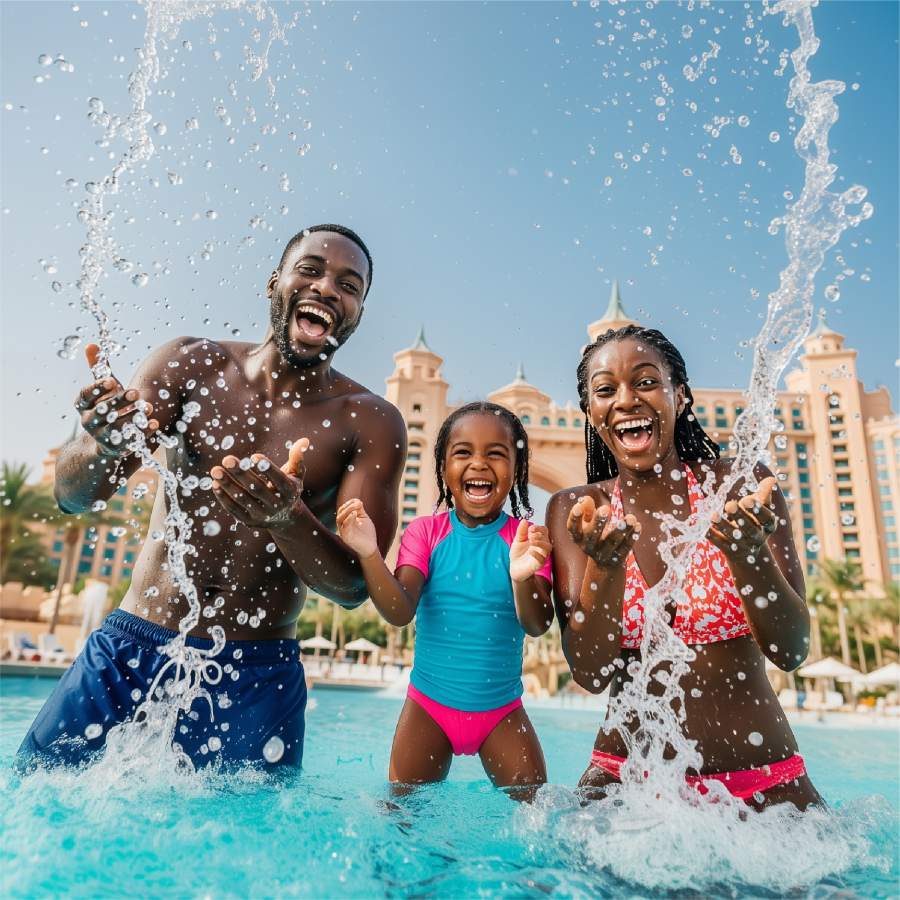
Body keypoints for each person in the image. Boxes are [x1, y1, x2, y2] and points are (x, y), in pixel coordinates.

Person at [18, 224, 406, 771]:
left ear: (358, 311)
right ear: (276, 283)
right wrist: (101, 445)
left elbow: (351, 587)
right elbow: (74, 497)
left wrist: (285, 518)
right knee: (35, 802)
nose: (326, 288)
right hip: (131, 648)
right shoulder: (190, 365)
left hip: (257, 673)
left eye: (348, 285)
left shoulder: (368, 421)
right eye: (311, 270)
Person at [547, 325, 822, 810]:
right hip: (623, 787)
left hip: (764, 786)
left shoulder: (742, 486)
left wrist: (748, 556)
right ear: (591, 412)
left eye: (647, 382)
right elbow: (591, 673)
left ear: (681, 395)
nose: (627, 399)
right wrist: (605, 569)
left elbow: (791, 650)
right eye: (606, 390)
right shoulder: (579, 509)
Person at [336, 402, 553, 798]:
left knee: (538, 814)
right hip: (428, 708)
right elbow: (400, 610)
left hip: (502, 712)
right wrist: (369, 554)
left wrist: (521, 577)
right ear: (444, 468)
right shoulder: (425, 534)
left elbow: (537, 624)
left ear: (517, 470)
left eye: (496, 454)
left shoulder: (524, 540)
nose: (479, 464)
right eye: (464, 453)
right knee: (400, 817)